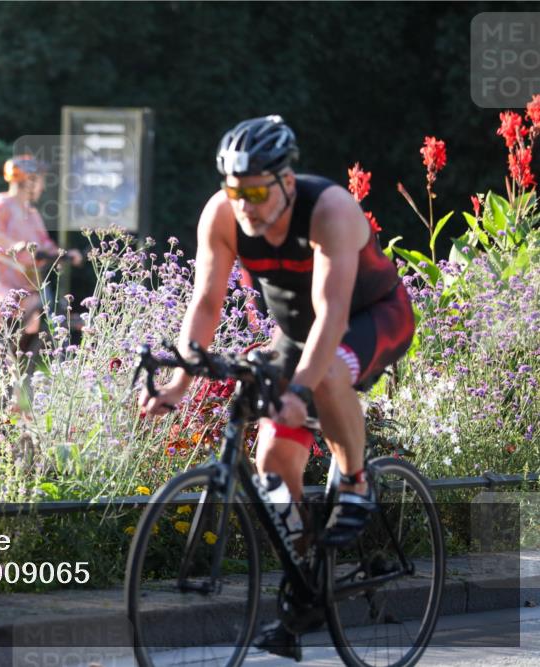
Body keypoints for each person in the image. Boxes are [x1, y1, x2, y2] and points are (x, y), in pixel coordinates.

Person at [138, 115, 414, 659]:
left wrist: (301, 388)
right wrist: (180, 383)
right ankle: (309, 585)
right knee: (271, 467)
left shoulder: (330, 209)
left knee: (328, 369)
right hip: (296, 333)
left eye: (258, 191)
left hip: (371, 316)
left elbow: (331, 314)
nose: (246, 205)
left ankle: (357, 480)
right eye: (235, 191)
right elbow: (207, 303)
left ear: (287, 181)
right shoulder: (223, 215)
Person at [0, 154, 82, 318]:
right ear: (28, 180)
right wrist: (15, 245)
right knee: (10, 312)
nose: (42, 187)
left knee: (38, 312)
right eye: (39, 181)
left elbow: (45, 244)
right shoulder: (2, 203)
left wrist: (65, 254)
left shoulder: (32, 214)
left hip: (23, 280)